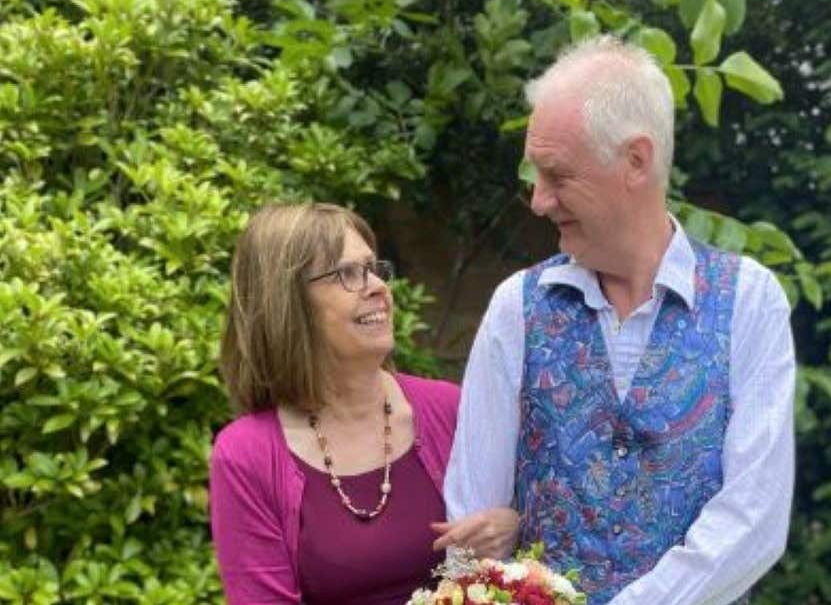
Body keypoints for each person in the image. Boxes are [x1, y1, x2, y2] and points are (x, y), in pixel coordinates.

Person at [441, 36, 796, 605]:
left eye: (557, 176)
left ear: (636, 160)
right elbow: (471, 524)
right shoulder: (517, 308)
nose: (537, 200)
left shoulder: (749, 301)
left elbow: (754, 517)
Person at [209, 203, 516, 604]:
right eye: (346, 275)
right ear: (287, 304)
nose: (377, 287)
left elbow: (515, 556)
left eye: (373, 268)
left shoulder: (450, 408)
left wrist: (513, 527)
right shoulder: (247, 455)